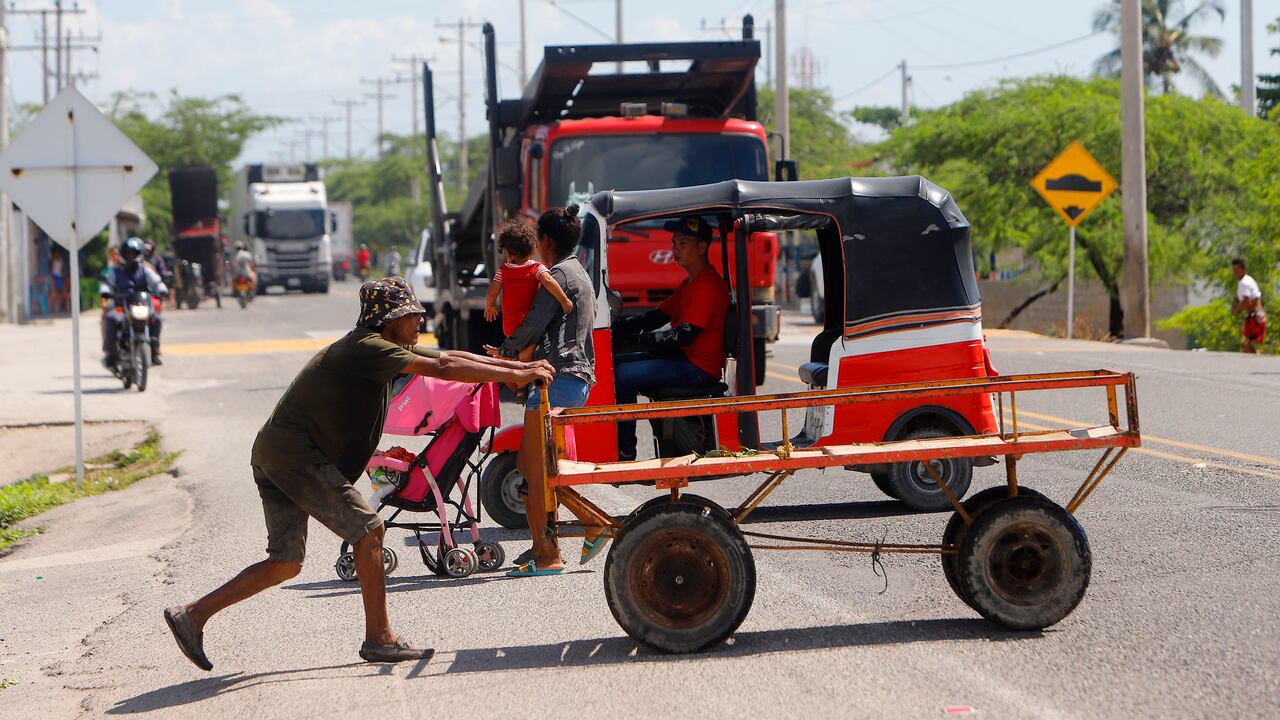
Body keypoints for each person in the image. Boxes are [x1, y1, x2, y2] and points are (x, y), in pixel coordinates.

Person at [163, 277, 553, 671]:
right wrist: (516, 375)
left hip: (277, 454)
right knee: (368, 532)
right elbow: (444, 366)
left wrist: (514, 367)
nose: (420, 318)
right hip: (297, 458)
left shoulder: (382, 346)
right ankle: (380, 639)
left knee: (285, 562)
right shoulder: (368, 348)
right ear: (388, 319)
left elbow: (448, 354)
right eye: (410, 313)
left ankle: (192, 615)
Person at [489, 206, 611, 576]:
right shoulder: (579, 273)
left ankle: (563, 542)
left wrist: (504, 356)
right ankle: (546, 545)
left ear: (545, 241)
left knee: (532, 466)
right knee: (542, 466)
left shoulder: (557, 274)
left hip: (556, 381)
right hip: (573, 379)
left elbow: (532, 325)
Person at [610, 216, 730, 461]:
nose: (675, 248)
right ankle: (616, 443)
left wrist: (635, 341)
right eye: (674, 242)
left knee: (621, 376)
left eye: (683, 243)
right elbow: (655, 317)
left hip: (697, 368)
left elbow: (684, 335)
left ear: (702, 247)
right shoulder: (690, 283)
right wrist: (614, 329)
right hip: (684, 360)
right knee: (615, 362)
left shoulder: (706, 285)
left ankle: (624, 450)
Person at [484, 219, 574, 391]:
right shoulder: (536, 268)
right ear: (533, 248)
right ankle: (522, 386)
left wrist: (490, 306)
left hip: (509, 325)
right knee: (527, 353)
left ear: (508, 253)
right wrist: (564, 300)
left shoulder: (503, 270)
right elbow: (549, 281)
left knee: (518, 354)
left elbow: (492, 292)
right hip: (529, 322)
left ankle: (514, 375)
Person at [103, 237, 167, 367]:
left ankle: (154, 351)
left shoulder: (145, 270)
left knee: (156, 319)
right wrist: (106, 292)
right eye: (128, 253)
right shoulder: (115, 271)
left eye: (133, 253)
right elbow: (107, 284)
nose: (131, 256)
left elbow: (157, 282)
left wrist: (162, 290)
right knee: (111, 318)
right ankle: (111, 354)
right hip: (122, 308)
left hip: (141, 305)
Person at [1232, 257, 1266, 354]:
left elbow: (1247, 302)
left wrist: (1237, 309)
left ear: (1244, 269)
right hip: (1256, 316)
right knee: (1247, 346)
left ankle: (1258, 365)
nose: (1235, 273)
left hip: (1255, 318)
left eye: (1237, 270)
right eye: (1233, 270)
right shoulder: (1248, 280)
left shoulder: (1244, 283)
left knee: (1247, 346)